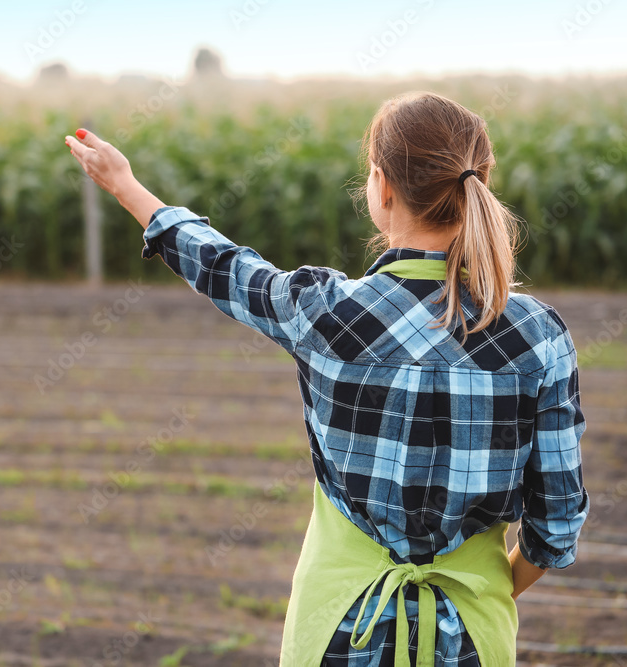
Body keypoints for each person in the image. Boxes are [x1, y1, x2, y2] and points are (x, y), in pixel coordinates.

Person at [65, 90, 589, 667]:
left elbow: (225, 267)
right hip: (473, 638)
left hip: (336, 632)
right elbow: (556, 526)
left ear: (382, 186)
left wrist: (126, 186)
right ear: (480, 183)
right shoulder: (538, 335)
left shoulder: (321, 310)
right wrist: (483, 590)